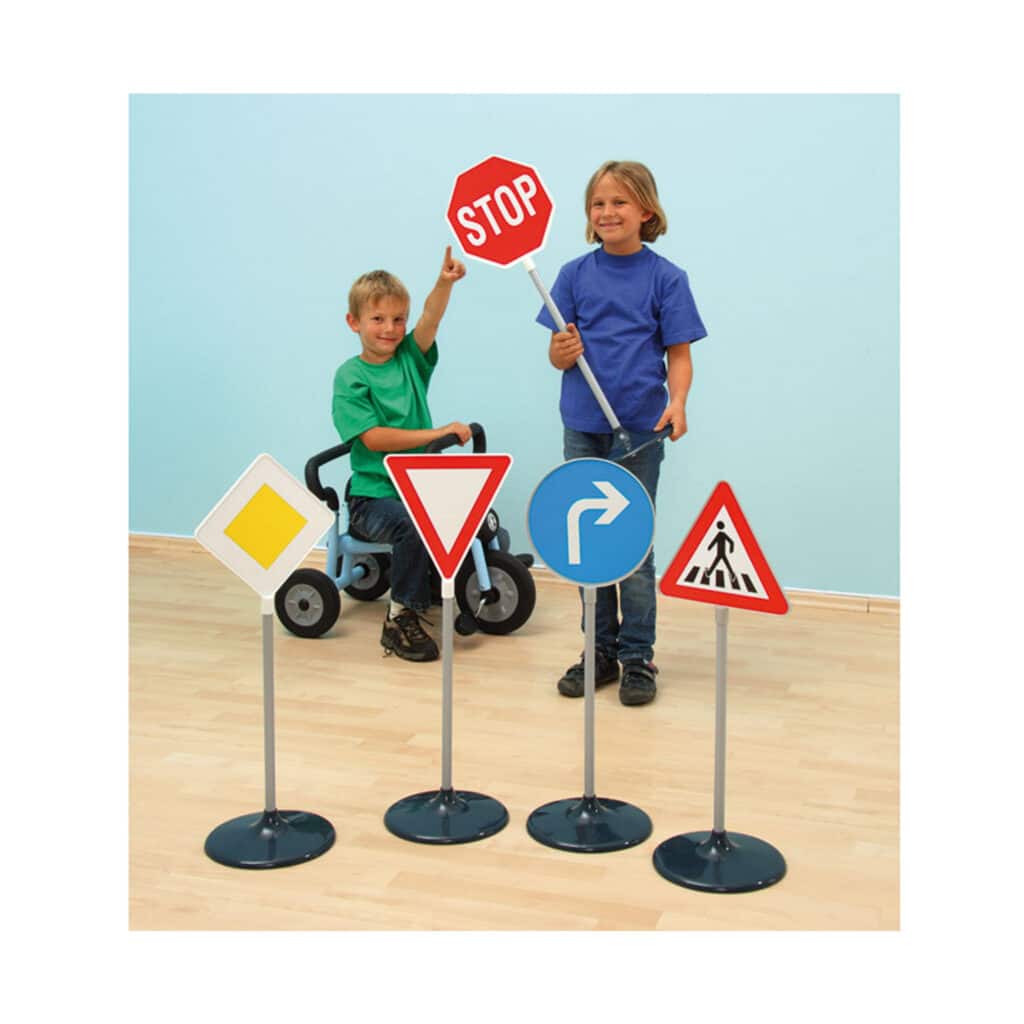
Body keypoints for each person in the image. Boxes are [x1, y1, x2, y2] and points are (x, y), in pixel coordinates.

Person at [536, 160, 707, 705]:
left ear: (646, 211)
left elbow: (679, 355)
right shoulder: (572, 275)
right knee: (587, 547)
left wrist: (677, 402)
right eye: (598, 203)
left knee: (632, 548)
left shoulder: (667, 278)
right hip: (583, 427)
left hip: (640, 430)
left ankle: (637, 657)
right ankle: (598, 652)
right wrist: (561, 352)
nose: (607, 212)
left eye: (619, 202)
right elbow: (556, 354)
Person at [332, 247, 471, 662]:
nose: (390, 329)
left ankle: (457, 584)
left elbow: (432, 318)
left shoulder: (410, 359)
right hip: (374, 496)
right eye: (377, 319)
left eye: (398, 319)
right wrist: (437, 433)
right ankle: (399, 618)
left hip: (419, 487)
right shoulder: (351, 376)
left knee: (470, 513)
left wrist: (444, 282)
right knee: (414, 524)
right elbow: (373, 438)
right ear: (354, 322)